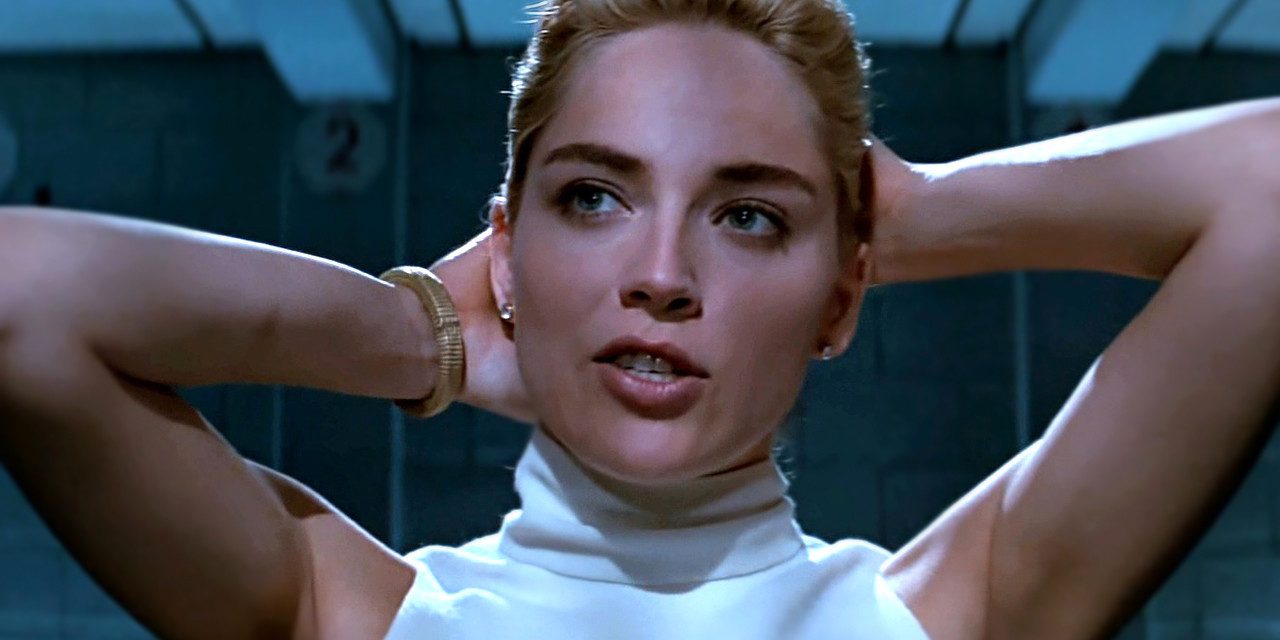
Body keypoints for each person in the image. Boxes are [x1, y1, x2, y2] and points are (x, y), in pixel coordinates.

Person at [1, 0, 1278, 637]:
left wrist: (918, 215)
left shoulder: (941, 617)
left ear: (841, 293)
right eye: (594, 197)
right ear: (508, 248)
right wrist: (419, 332)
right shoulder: (365, 617)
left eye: (748, 216)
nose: (662, 273)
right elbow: (21, 295)